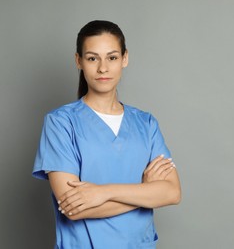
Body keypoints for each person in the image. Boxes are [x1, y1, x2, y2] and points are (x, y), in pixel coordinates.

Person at [32, 20, 181, 249]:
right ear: (78, 61)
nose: (103, 68)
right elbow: (73, 208)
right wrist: (144, 191)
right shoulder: (61, 123)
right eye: (92, 58)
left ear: (125, 58)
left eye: (112, 57)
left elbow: (171, 192)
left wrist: (104, 192)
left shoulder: (145, 123)